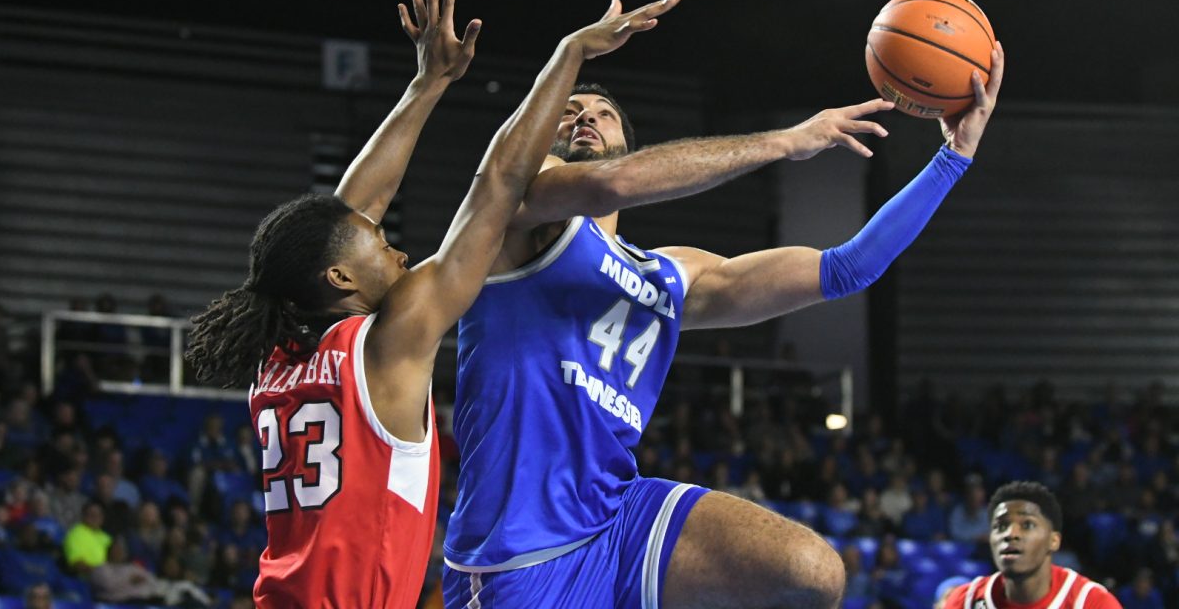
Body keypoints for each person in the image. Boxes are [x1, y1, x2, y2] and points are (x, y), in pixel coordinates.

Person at [184, 0, 681, 608]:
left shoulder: (277, 356)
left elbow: (343, 221)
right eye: (383, 247)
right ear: (338, 278)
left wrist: (429, 83)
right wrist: (572, 53)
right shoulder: (388, 342)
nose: (396, 248)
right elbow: (497, 187)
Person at [442, 44, 1005, 609]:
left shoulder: (674, 273)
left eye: (603, 112)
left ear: (625, 140)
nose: (585, 115)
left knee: (811, 572)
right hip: (519, 544)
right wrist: (785, 141)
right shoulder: (516, 214)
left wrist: (954, 155)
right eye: (569, 110)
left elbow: (850, 265)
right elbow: (610, 184)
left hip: (618, 513)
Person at [942, 480, 1122, 609]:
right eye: (1001, 526)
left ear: (1054, 541)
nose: (1011, 534)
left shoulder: (1091, 602)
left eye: (1027, 525)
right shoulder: (965, 602)